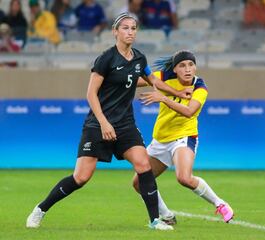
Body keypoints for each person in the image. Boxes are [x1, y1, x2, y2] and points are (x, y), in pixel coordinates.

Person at [26, 12, 193, 231]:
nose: (130, 32)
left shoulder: (139, 58)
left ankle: (155, 221)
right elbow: (90, 94)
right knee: (81, 177)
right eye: (125, 28)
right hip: (98, 124)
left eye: (133, 28)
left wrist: (179, 93)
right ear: (115, 32)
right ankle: (40, 209)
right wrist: (104, 123)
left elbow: (153, 81)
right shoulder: (106, 59)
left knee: (143, 165)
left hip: (125, 124)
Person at [132, 50, 234, 225]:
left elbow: (189, 112)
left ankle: (221, 204)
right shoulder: (163, 76)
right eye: (182, 65)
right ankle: (167, 215)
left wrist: (163, 98)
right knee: (139, 184)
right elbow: (134, 81)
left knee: (184, 177)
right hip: (160, 139)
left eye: (191, 65)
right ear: (175, 69)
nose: (188, 69)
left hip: (184, 136)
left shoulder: (200, 87)